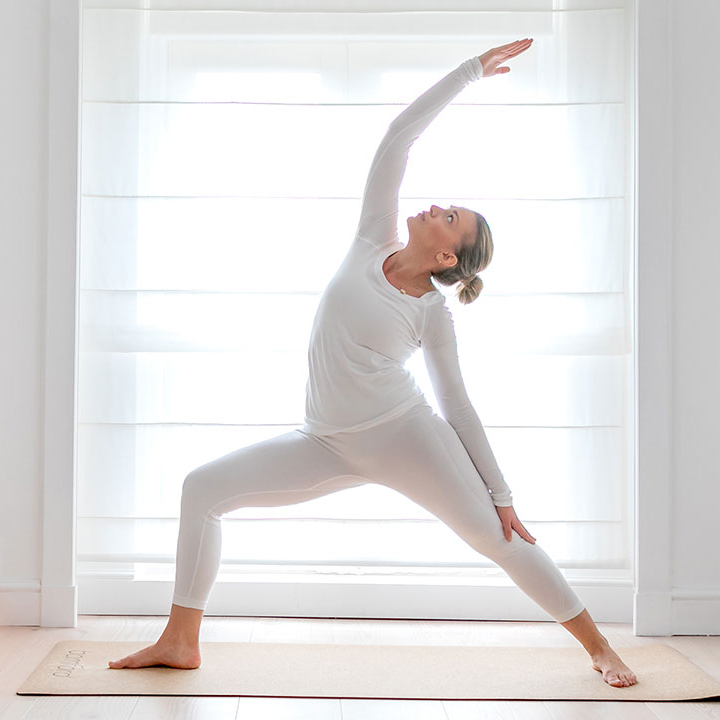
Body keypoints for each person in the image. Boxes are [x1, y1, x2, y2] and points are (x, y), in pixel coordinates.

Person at [108, 38, 638, 689]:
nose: (439, 207)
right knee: (202, 490)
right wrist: (470, 72)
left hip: (403, 437)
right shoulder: (371, 239)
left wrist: (501, 495)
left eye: (452, 218)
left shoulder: (430, 314)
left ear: (449, 258)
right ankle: (180, 641)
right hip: (323, 442)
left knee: (499, 539)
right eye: (446, 206)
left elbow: (457, 405)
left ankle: (600, 648)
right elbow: (398, 138)